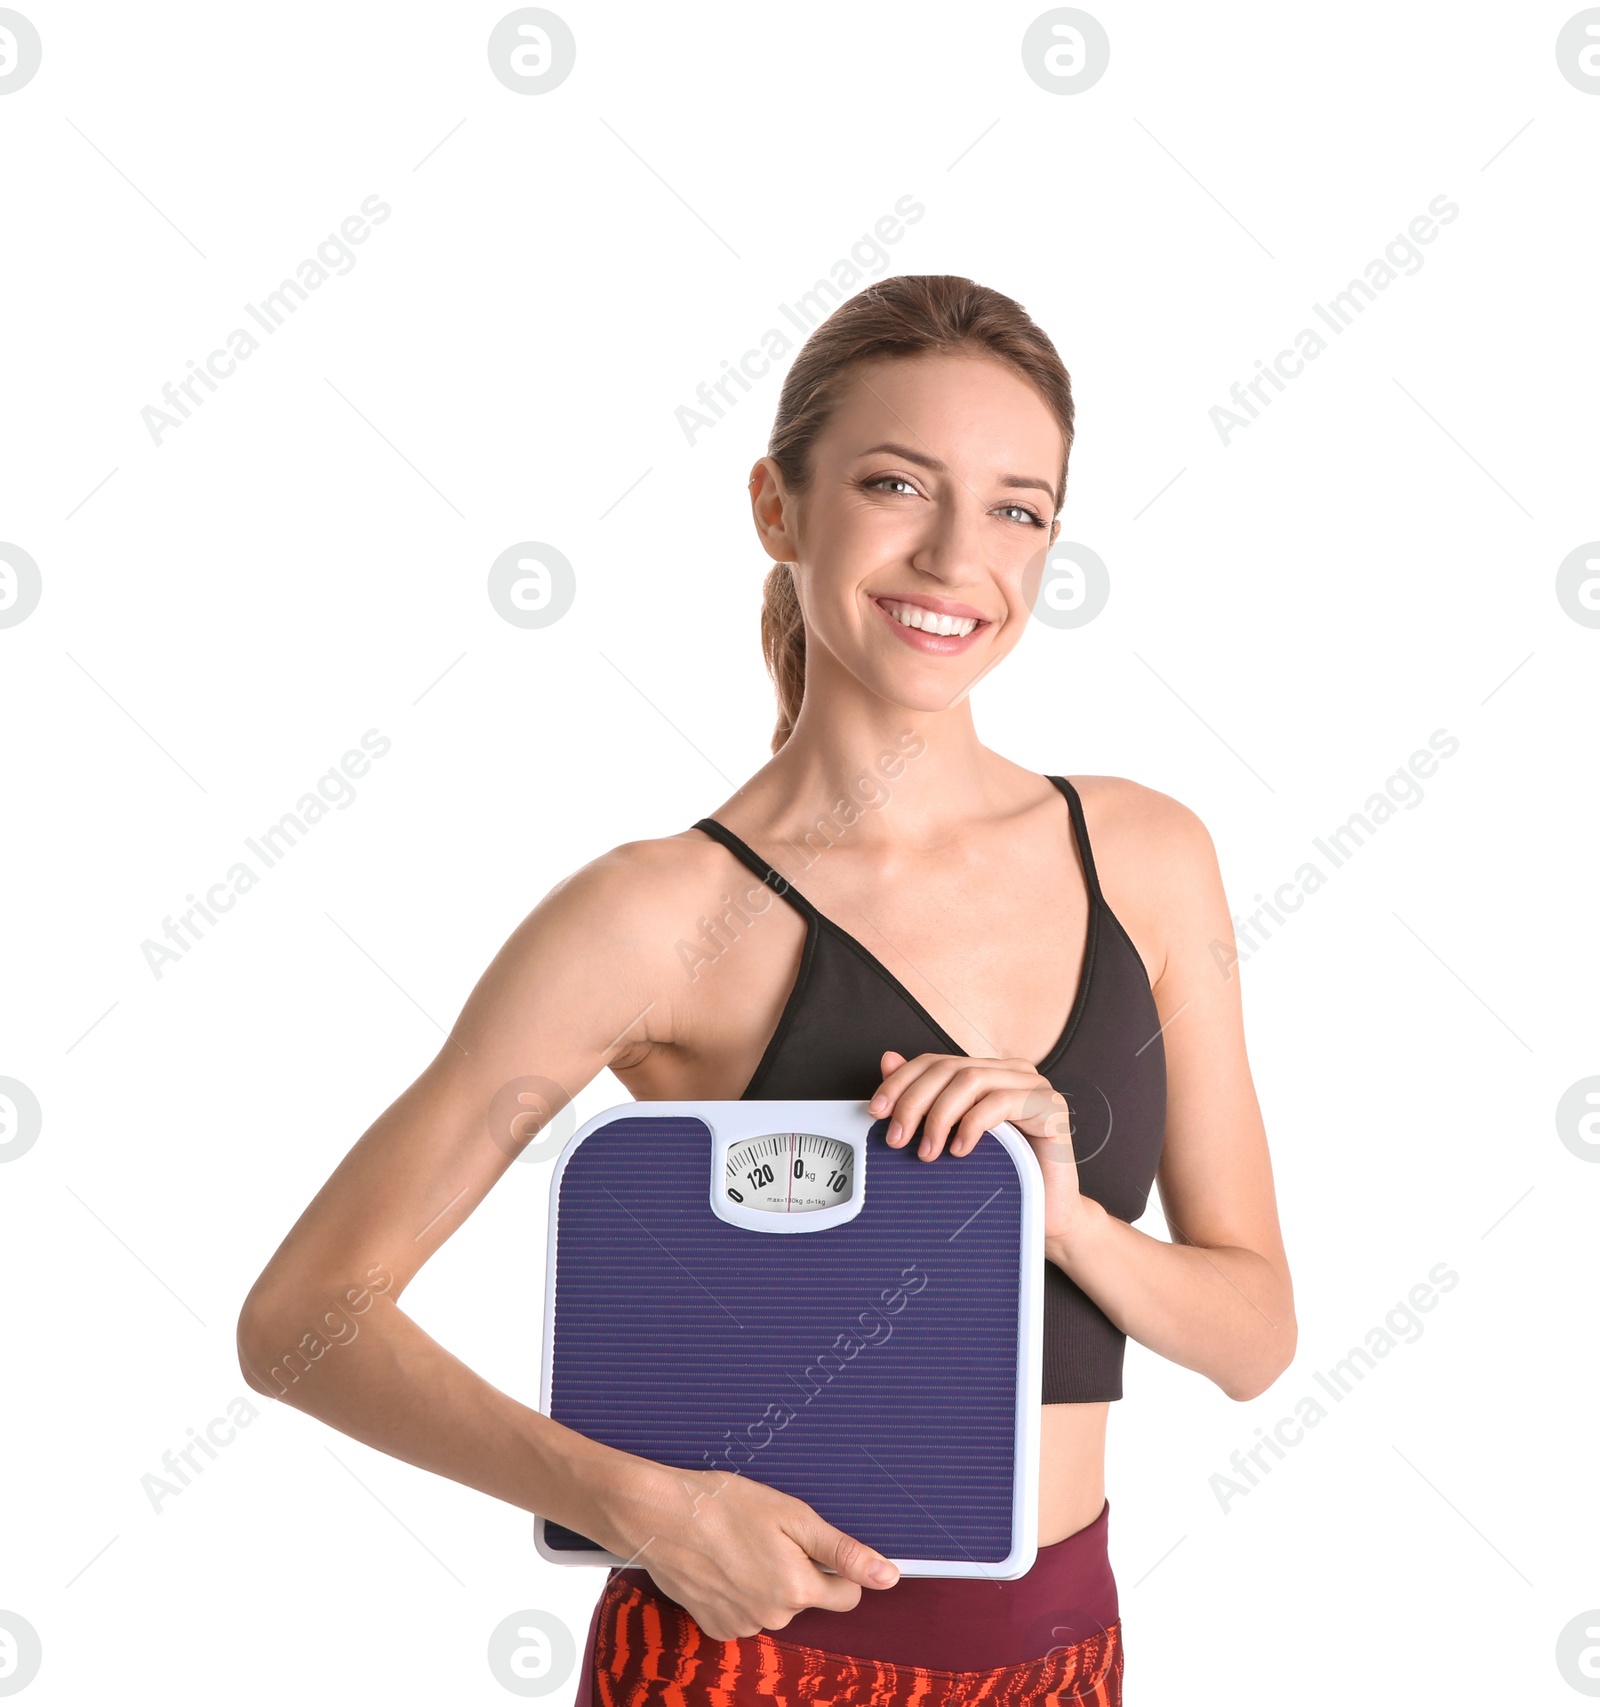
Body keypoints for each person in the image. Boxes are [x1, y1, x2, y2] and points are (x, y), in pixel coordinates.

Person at [237, 274, 1295, 1705]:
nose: (953, 556)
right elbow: (305, 1317)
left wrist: (1066, 1226)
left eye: (1016, 507)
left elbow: (1254, 1335)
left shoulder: (1148, 857)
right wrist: (641, 1510)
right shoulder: (652, 914)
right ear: (777, 508)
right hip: (748, 1673)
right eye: (893, 484)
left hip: (1066, 1662)